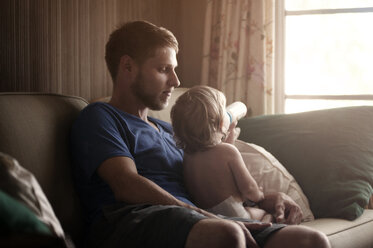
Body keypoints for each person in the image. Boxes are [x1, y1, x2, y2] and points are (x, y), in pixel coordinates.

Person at [70, 20, 331, 248]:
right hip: (132, 220)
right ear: (127, 67)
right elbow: (125, 185)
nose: (175, 80)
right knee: (227, 234)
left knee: (310, 241)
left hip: (198, 220)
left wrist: (271, 200)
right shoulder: (101, 117)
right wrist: (202, 215)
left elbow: (212, 186)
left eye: (173, 69)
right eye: (163, 69)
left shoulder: (170, 131)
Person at [171, 85, 273, 223]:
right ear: (220, 123)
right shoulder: (229, 152)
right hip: (237, 216)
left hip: (208, 219)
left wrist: (229, 131)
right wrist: (259, 195)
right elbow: (249, 189)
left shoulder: (188, 157)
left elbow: (221, 166)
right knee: (267, 215)